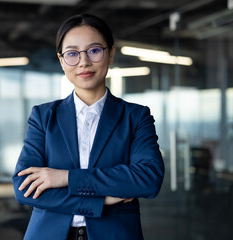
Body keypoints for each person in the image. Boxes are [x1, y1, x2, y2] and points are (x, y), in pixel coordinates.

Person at [12, 13, 164, 240]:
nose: (83, 62)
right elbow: (24, 188)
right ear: (62, 61)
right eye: (72, 53)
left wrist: (65, 178)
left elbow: (148, 178)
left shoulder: (135, 116)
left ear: (111, 53)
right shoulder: (44, 117)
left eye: (94, 50)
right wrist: (101, 200)